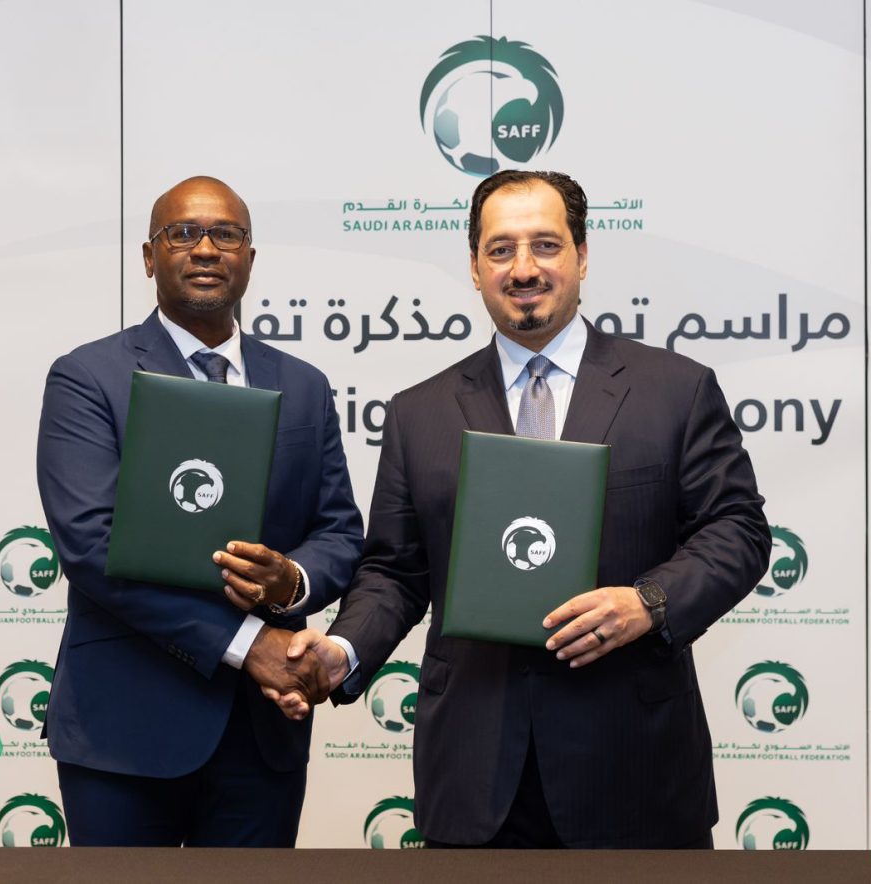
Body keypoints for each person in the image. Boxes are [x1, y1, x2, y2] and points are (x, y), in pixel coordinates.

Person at [281, 170, 771, 849]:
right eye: (501, 249)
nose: (524, 268)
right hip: (476, 774)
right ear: (476, 268)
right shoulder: (418, 413)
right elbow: (395, 572)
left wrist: (646, 602)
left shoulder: (675, 390)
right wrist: (342, 648)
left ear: (583, 256)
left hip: (635, 765)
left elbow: (737, 531)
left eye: (545, 245)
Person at [36, 176, 362, 847]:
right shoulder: (88, 378)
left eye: (226, 234)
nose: (206, 248)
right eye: (183, 233)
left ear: (249, 255)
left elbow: (338, 529)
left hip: (262, 735)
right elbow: (92, 546)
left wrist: (291, 580)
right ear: (151, 257)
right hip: (123, 733)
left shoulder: (303, 386)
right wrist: (249, 646)